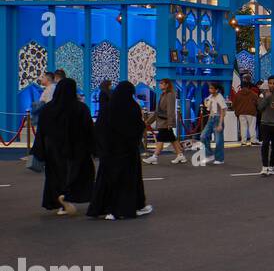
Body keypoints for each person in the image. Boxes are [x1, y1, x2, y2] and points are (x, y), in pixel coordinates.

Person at [88, 82, 153, 220]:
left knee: (110, 180)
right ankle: (128, 208)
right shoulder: (132, 107)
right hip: (128, 151)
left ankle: (109, 209)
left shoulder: (109, 108)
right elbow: (136, 128)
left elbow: (101, 128)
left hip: (110, 151)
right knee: (128, 181)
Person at [37, 78, 94, 216]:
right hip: (77, 148)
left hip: (53, 148)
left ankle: (60, 199)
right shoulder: (80, 108)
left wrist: (40, 149)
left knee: (56, 175)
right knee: (75, 173)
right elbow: (89, 129)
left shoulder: (48, 109)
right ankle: (69, 196)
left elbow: (42, 130)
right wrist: (93, 147)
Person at [143, 78, 187, 165]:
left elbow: (170, 109)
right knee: (172, 139)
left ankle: (154, 157)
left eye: (162, 83)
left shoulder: (170, 95)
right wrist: (148, 121)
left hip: (165, 122)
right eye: (160, 83)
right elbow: (157, 111)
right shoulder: (163, 95)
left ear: (167, 85)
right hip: (162, 121)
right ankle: (180, 155)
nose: (160, 85)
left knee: (160, 138)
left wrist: (170, 123)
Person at [197, 82, 227, 166]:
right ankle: (209, 154)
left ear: (216, 89)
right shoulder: (210, 96)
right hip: (211, 119)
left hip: (218, 119)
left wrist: (220, 124)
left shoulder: (220, 97)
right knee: (203, 136)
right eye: (209, 88)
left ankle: (220, 159)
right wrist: (206, 102)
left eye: (211, 88)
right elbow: (208, 106)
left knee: (218, 141)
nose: (210, 90)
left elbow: (222, 111)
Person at [232, 81, 260, 145]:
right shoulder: (253, 94)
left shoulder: (237, 94)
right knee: (252, 127)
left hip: (241, 113)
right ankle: (253, 140)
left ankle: (243, 141)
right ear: (249, 86)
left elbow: (234, 104)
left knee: (243, 127)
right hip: (251, 112)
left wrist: (236, 111)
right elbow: (257, 103)